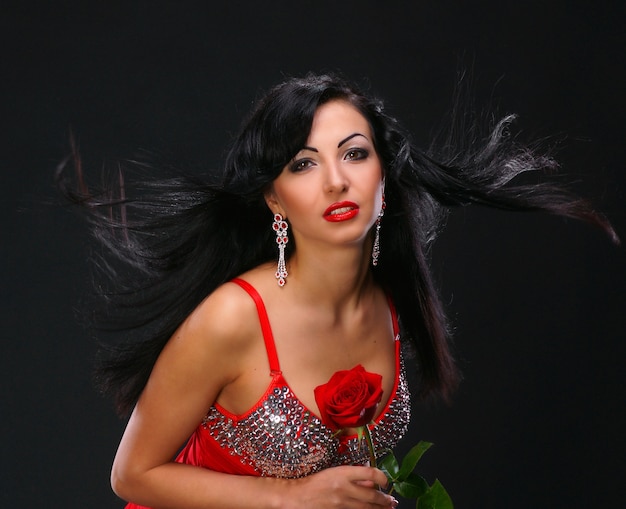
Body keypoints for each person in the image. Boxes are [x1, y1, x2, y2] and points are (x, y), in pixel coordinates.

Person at [58, 73, 617, 509]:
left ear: (384, 178)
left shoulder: (391, 302)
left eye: (354, 153)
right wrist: (291, 498)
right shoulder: (231, 318)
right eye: (303, 164)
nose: (335, 181)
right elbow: (131, 474)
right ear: (274, 199)